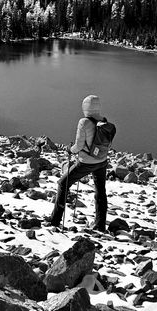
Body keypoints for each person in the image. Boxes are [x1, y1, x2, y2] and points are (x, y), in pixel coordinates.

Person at [49, 94, 109, 232]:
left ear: (86, 107)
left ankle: (55, 220)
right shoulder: (105, 122)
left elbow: (78, 146)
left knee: (63, 184)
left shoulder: (84, 122)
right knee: (100, 191)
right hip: (102, 161)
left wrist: (70, 150)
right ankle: (100, 224)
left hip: (86, 162)